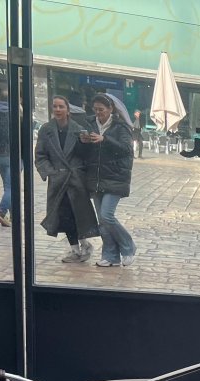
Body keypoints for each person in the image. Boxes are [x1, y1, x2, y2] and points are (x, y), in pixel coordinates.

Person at [35, 95, 99, 263]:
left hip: (75, 180)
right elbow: (40, 155)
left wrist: (86, 144)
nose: (57, 109)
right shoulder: (46, 130)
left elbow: (86, 156)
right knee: (63, 216)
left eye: (61, 107)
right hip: (58, 181)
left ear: (68, 110)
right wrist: (50, 172)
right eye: (55, 106)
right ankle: (75, 250)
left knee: (78, 214)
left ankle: (84, 244)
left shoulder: (78, 130)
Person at [81, 93, 137, 267]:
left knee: (107, 215)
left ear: (111, 109)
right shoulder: (89, 124)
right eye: (95, 109)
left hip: (115, 177)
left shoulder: (121, 127)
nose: (98, 113)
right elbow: (84, 153)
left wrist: (105, 140)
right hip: (95, 177)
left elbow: (126, 149)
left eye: (102, 109)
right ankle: (110, 255)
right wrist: (83, 142)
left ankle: (128, 247)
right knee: (102, 221)